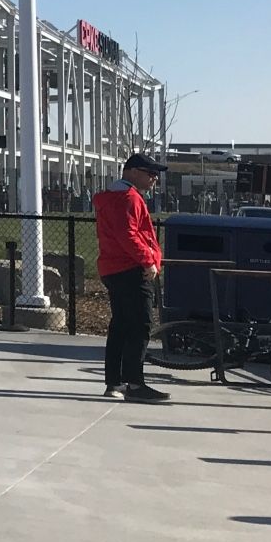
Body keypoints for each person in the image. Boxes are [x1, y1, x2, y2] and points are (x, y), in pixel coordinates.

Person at [94, 153, 168, 403]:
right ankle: (135, 384)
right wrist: (148, 260)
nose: (154, 179)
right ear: (133, 172)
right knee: (141, 324)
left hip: (114, 269)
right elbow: (130, 235)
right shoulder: (127, 198)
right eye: (150, 173)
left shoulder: (115, 197)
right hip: (130, 270)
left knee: (122, 325)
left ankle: (114, 382)